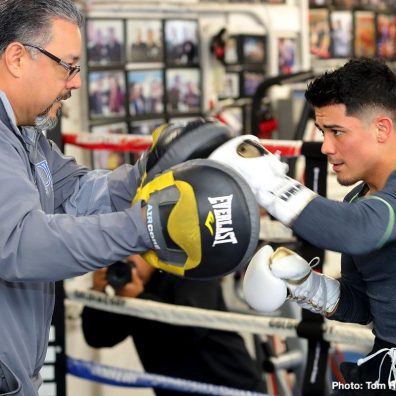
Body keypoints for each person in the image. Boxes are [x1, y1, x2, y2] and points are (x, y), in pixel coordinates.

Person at [0, 2, 258, 394]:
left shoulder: (26, 137)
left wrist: (148, 173)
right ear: (17, 58)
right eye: (67, 66)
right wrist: (149, 225)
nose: (75, 83)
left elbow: (76, 193)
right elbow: (20, 244)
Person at [209, 57, 396, 395]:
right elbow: (366, 305)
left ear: (381, 128)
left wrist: (270, 184)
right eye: (323, 132)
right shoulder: (357, 199)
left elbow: (360, 230)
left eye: (337, 132)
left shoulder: (365, 216)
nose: (325, 147)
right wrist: (306, 286)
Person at [81, 255, 267, 396]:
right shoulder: (130, 290)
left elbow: (192, 327)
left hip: (231, 389)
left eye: (132, 253)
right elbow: (98, 337)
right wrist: (98, 293)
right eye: (118, 257)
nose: (127, 261)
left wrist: (139, 300)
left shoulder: (190, 269)